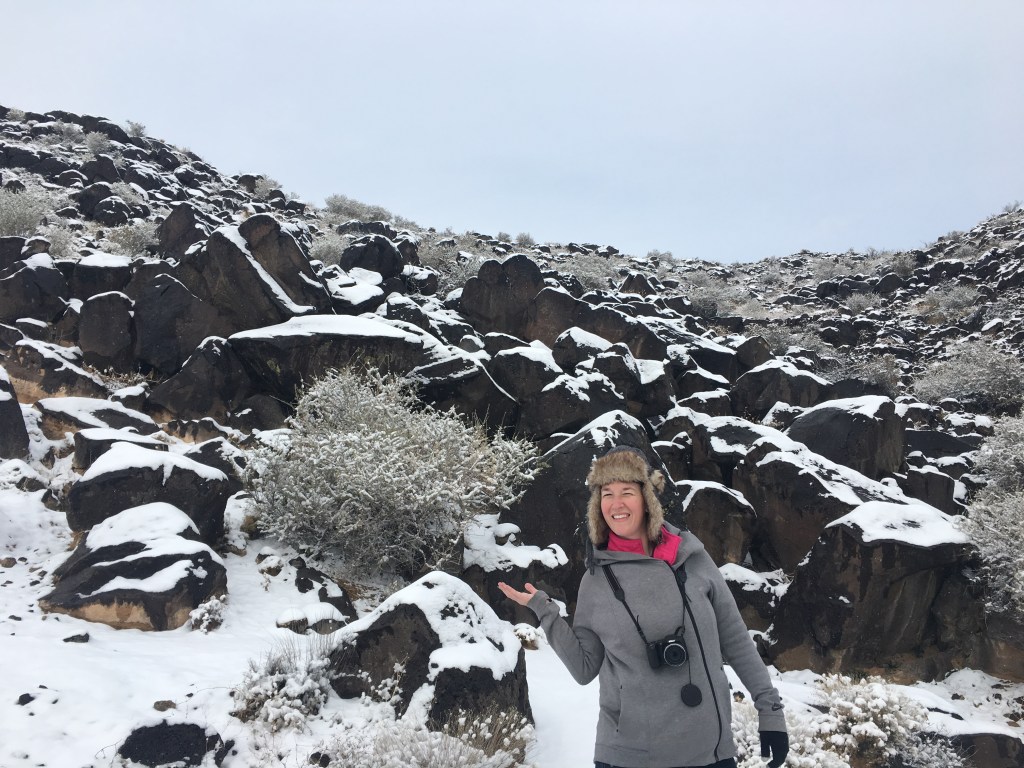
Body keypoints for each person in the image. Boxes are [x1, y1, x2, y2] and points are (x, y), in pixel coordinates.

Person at [499, 445, 789, 768]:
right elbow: (583, 668)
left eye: (627, 491)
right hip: (631, 758)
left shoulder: (692, 557)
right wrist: (546, 611)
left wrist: (770, 710)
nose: (616, 504)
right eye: (606, 493)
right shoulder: (596, 580)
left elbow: (735, 639)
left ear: (648, 498)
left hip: (712, 754)